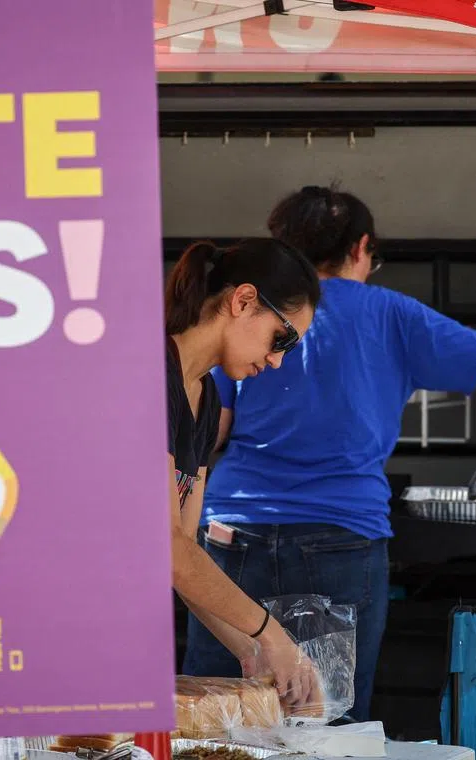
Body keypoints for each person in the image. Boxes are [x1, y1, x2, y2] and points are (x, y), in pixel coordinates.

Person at [181, 186, 476, 721]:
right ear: (361, 247)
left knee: (216, 719)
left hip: (231, 536)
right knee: (329, 723)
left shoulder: (246, 325)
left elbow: (210, 432)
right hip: (341, 541)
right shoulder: (393, 314)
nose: (276, 358)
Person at [164, 237, 322, 706]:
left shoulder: (205, 398)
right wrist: (272, 635)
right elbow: (165, 550)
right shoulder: (148, 375)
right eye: (283, 338)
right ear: (243, 300)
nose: (277, 361)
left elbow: (186, 551)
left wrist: (253, 652)